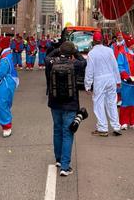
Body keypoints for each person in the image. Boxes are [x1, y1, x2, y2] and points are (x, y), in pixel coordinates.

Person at [46, 40, 87, 176]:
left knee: (57, 130)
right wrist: (75, 52)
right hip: (70, 103)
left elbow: (47, 57)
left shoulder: (51, 62)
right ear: (72, 53)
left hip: (54, 102)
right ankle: (65, 166)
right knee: (68, 132)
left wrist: (58, 50)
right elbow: (83, 62)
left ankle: (58, 159)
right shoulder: (75, 64)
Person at [84, 31, 122, 136]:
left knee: (99, 104)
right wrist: (118, 80)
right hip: (111, 78)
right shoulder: (109, 50)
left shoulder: (92, 53)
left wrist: (87, 85)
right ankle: (116, 127)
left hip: (99, 80)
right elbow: (115, 65)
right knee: (112, 103)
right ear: (102, 40)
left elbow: (89, 71)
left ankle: (103, 128)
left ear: (93, 41)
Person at [115, 36, 134, 130]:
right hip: (127, 82)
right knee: (126, 101)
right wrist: (125, 76)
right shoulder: (122, 54)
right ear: (130, 45)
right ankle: (124, 122)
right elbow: (120, 66)